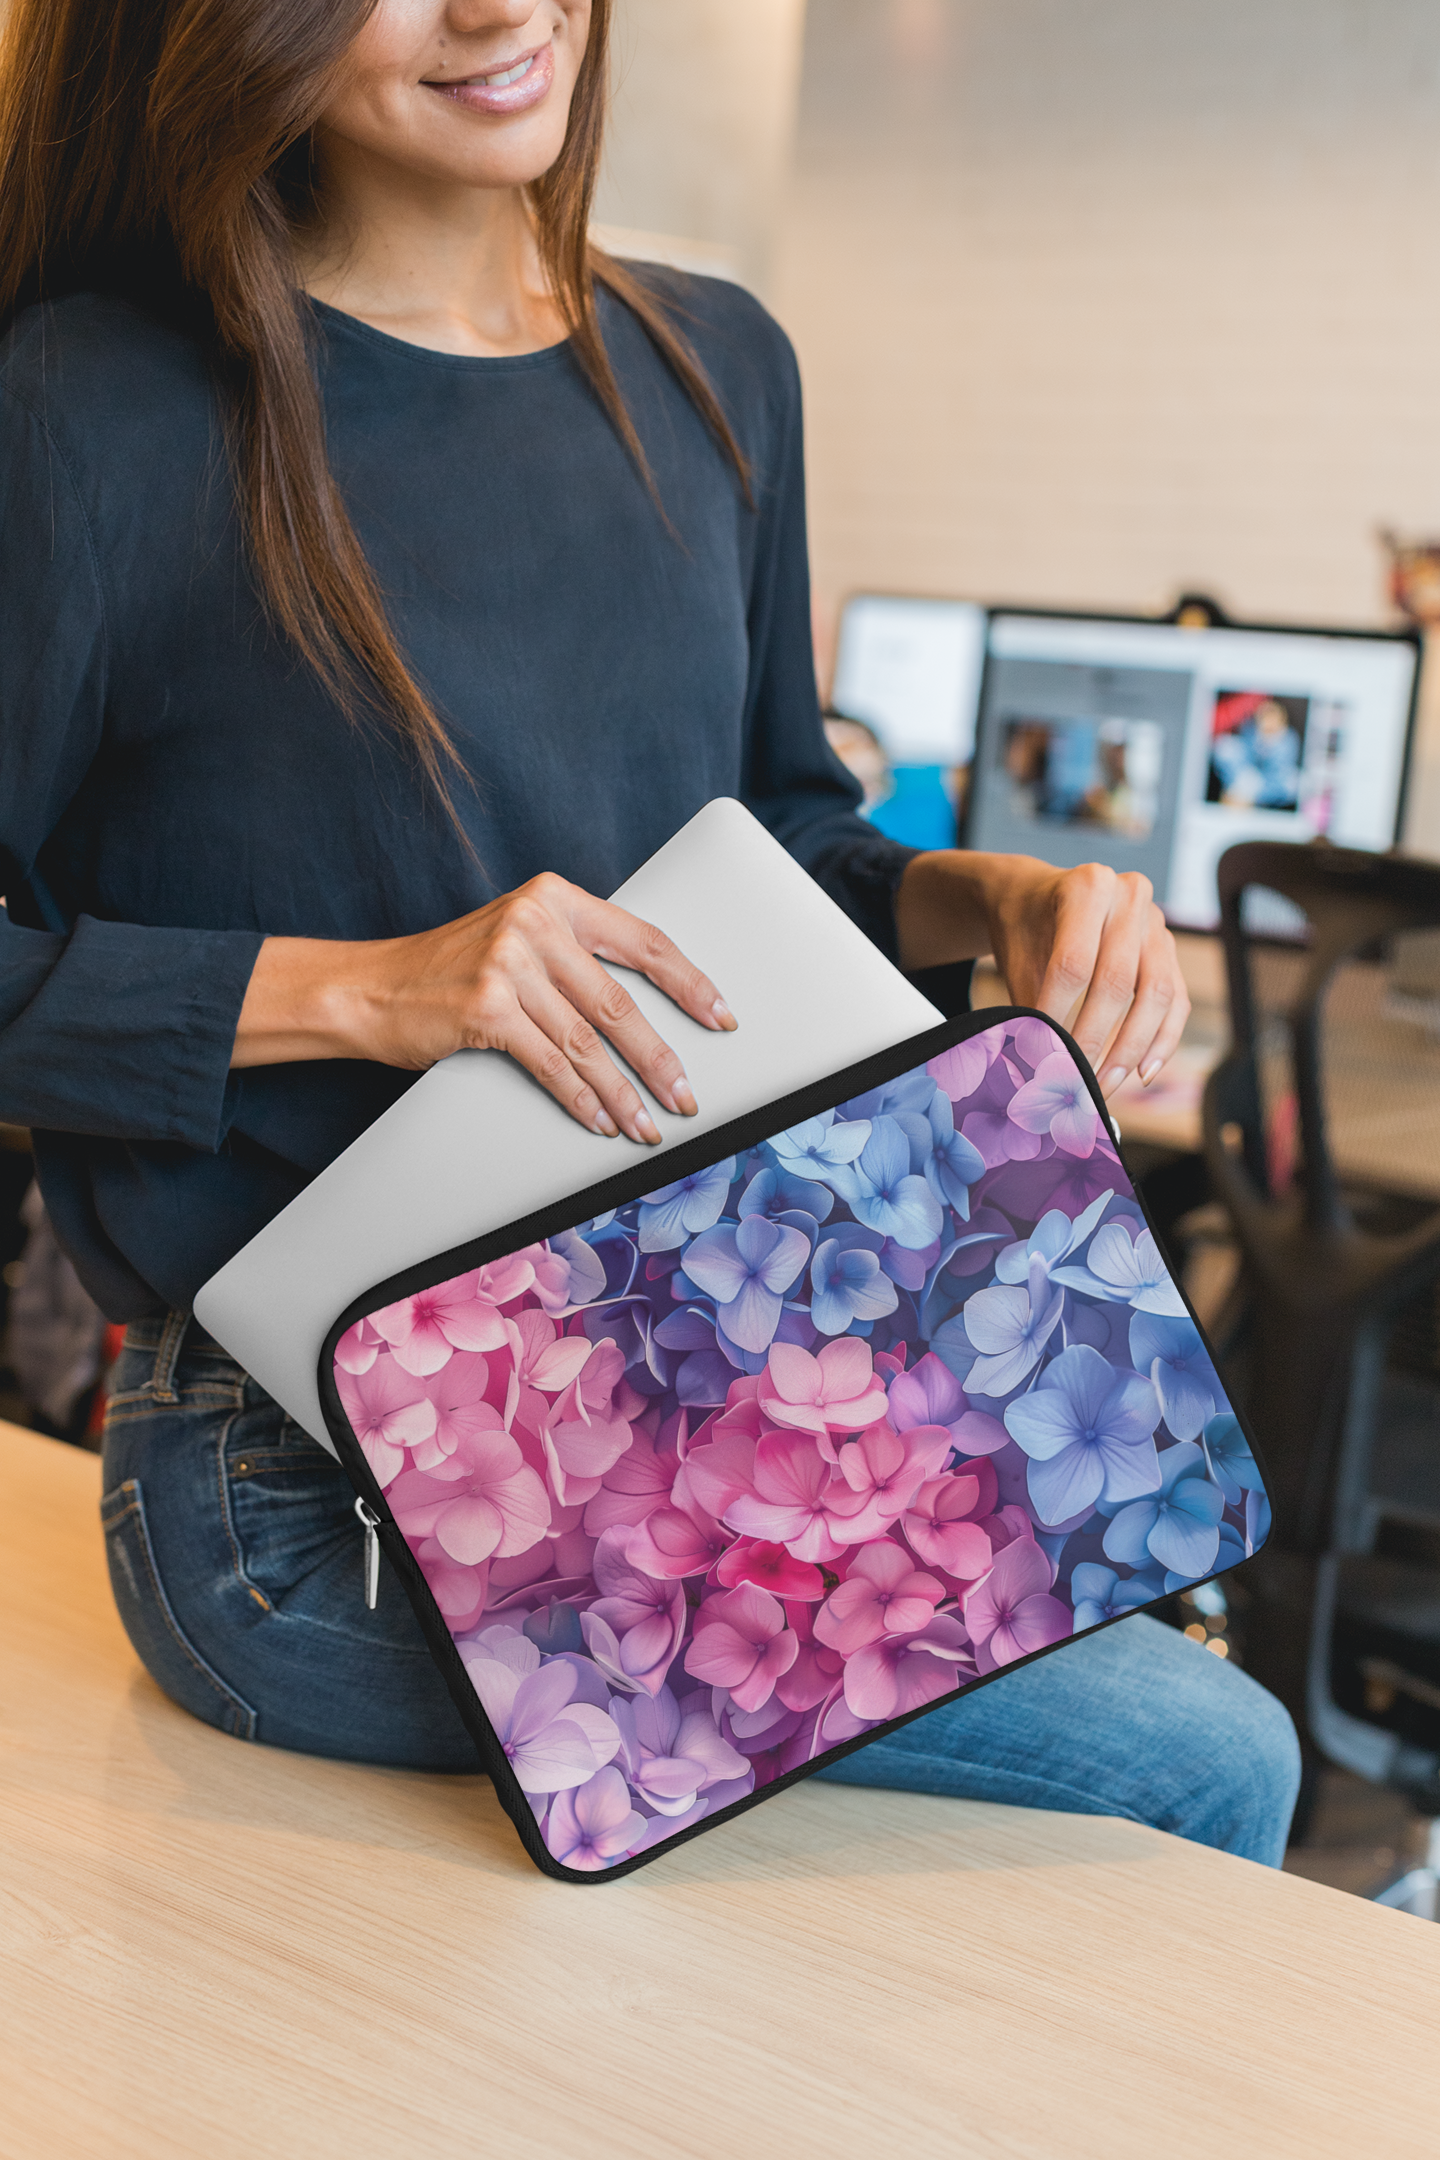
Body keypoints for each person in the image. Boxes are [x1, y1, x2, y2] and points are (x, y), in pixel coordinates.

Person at [0, 0, 1297, 1864]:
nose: (496, 7)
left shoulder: (716, 367)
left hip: (688, 1386)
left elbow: (780, 837)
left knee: (1153, 1579)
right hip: (302, 1482)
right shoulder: (90, 411)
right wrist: (373, 994)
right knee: (1197, 1761)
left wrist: (994, 899)